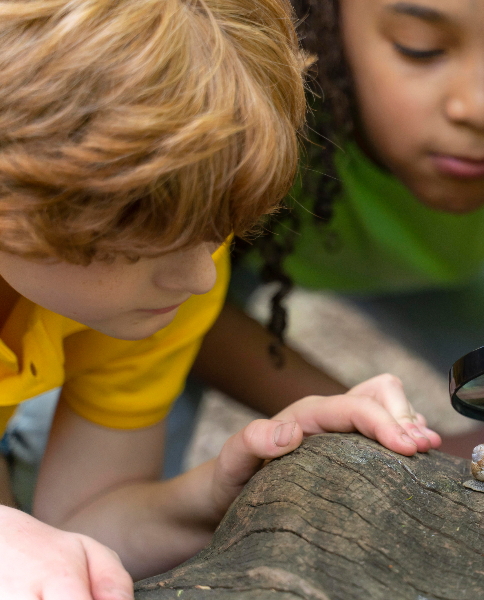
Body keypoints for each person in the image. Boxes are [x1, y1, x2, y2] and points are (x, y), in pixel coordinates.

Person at [0, 1, 438, 597]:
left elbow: (79, 520)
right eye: (141, 242)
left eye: (215, 230)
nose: (203, 278)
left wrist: (223, 493)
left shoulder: (148, 288)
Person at [184, 0, 484, 461]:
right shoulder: (239, 108)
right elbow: (180, 311)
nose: (481, 106)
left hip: (466, 269)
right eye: (421, 47)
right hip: (212, 274)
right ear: (316, 19)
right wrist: (376, 434)